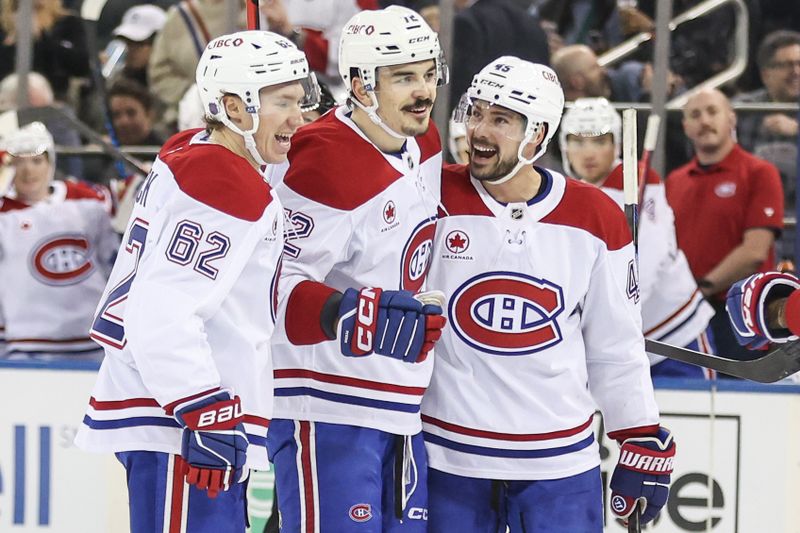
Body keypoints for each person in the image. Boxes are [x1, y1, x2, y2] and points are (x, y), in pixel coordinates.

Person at [74, 31, 319, 533]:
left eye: (300, 101)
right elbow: (162, 313)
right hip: (182, 423)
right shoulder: (223, 185)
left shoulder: (194, 150)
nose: (300, 118)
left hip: (175, 412)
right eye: (284, 102)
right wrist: (202, 407)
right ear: (233, 106)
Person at [421, 57, 675, 532]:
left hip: (559, 469)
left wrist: (638, 432)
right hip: (449, 461)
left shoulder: (596, 216)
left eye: (500, 120)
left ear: (537, 133)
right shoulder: (431, 195)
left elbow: (616, 344)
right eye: (475, 113)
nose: (479, 129)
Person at [266, 6, 448, 531]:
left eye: (429, 73)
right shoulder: (323, 161)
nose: (423, 90)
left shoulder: (425, 140)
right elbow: (273, 283)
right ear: (362, 86)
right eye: (404, 77)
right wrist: (349, 313)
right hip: (325, 406)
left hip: (400, 404)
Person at [560, 97, 715, 378]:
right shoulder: (566, 194)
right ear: (564, 146)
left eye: (600, 141)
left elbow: (652, 258)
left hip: (674, 332)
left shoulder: (638, 180)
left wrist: (616, 319)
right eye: (578, 141)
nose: (589, 152)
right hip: (620, 341)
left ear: (617, 144)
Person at [666, 88, 784, 363]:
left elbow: (754, 252)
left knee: (743, 396)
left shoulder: (759, 172)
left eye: (712, 111)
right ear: (685, 127)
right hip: (688, 313)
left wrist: (700, 289)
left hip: (742, 313)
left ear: (731, 118)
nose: (704, 121)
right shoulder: (675, 181)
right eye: (695, 115)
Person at [0, 122, 116, 359]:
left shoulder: (88, 201)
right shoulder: (5, 213)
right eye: (18, 162)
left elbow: (114, 260)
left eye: (36, 160)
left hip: (92, 339)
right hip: (26, 343)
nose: (27, 171)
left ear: (50, 162)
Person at [734, 30, 800, 259]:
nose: (796, 72)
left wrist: (797, 132)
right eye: (786, 65)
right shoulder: (741, 109)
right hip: (754, 212)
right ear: (765, 74)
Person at [107, 4, 168, 87]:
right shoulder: (117, 81)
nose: (130, 50)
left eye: (137, 43)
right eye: (127, 43)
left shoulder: (172, 83)